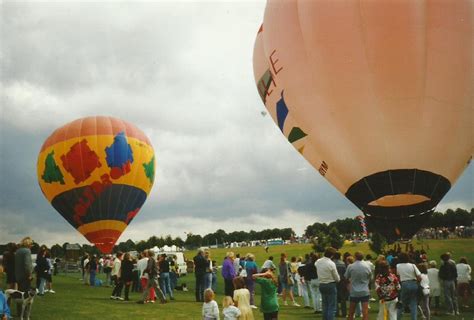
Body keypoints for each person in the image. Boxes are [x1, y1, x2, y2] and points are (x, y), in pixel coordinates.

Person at [345, 251, 372, 320]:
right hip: (364, 290)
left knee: (351, 312)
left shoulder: (351, 266)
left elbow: (346, 277)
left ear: (355, 257)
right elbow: (371, 277)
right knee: (365, 312)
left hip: (354, 291)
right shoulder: (367, 266)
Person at [315, 247, 340, 320]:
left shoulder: (318, 261)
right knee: (332, 306)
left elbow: (316, 265)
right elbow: (336, 277)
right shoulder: (331, 263)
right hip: (330, 284)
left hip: (322, 284)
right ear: (332, 255)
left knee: (325, 305)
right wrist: (338, 279)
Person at [396, 252, 421, 320]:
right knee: (413, 303)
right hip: (414, 283)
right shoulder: (412, 265)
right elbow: (419, 277)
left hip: (404, 283)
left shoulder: (398, 266)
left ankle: (398, 317)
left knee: (402, 303)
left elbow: (398, 276)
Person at [333, 251, 347, 318]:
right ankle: (344, 312)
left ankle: (336, 312)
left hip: (334, 281)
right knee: (343, 298)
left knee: (335, 297)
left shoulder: (332, 263)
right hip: (342, 282)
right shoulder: (343, 263)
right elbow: (345, 274)